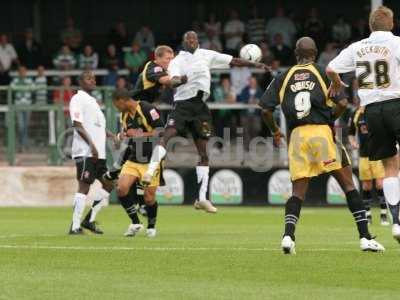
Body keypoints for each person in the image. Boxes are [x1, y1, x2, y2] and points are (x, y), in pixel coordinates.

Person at [260, 36, 384, 254]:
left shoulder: (283, 76)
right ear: (315, 53)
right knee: (347, 184)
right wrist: (328, 119)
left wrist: (276, 131)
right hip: (321, 133)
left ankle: (288, 237)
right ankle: (365, 237)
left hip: (297, 137)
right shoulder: (323, 72)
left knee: (297, 192)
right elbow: (344, 103)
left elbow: (265, 110)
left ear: (296, 54)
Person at [143, 31, 269, 213]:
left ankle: (202, 198)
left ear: (197, 41)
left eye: (195, 38)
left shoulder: (207, 55)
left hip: (200, 108)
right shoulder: (178, 60)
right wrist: (178, 80)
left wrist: (255, 63)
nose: (192, 41)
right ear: (184, 42)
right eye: (189, 39)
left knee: (204, 153)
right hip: (183, 105)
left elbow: (233, 60)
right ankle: (150, 170)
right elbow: (173, 80)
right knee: (167, 136)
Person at [327, 6, 400, 243]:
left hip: (371, 111)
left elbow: (330, 68)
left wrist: (336, 82)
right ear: (392, 24)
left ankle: (397, 222)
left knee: (390, 165)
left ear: (370, 26)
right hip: (395, 103)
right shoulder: (396, 43)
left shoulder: (358, 47)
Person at [68, 70, 116, 235]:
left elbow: (99, 127)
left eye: (94, 79)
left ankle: (89, 220)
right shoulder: (77, 98)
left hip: (99, 155)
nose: (92, 81)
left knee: (109, 184)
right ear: (80, 82)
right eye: (88, 78)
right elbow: (77, 124)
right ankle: (74, 227)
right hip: (86, 152)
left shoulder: (94, 102)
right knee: (84, 187)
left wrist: (113, 137)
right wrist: (92, 147)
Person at [111, 88, 164, 237]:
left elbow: (161, 131)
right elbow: (128, 133)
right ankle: (135, 223)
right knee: (121, 188)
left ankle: (151, 226)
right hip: (134, 158)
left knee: (149, 198)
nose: (117, 108)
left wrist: (140, 134)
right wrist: (121, 136)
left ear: (122, 100)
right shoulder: (124, 115)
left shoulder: (147, 108)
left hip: (151, 159)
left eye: (116, 105)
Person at [348, 105, 389, 225]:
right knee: (366, 186)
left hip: (377, 154)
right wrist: (353, 142)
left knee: (380, 184)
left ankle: (383, 214)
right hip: (363, 155)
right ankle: (368, 215)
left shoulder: (376, 110)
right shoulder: (356, 114)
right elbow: (350, 132)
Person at [10, 65, 35, 151]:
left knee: (26, 126)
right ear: (18, 72)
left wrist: (24, 87)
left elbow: (33, 88)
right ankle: (22, 144)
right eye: (20, 71)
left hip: (27, 105)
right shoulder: (15, 80)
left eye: (23, 71)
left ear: (26, 72)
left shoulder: (29, 80)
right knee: (21, 126)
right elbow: (12, 87)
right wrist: (23, 87)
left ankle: (23, 145)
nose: (22, 73)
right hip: (18, 105)